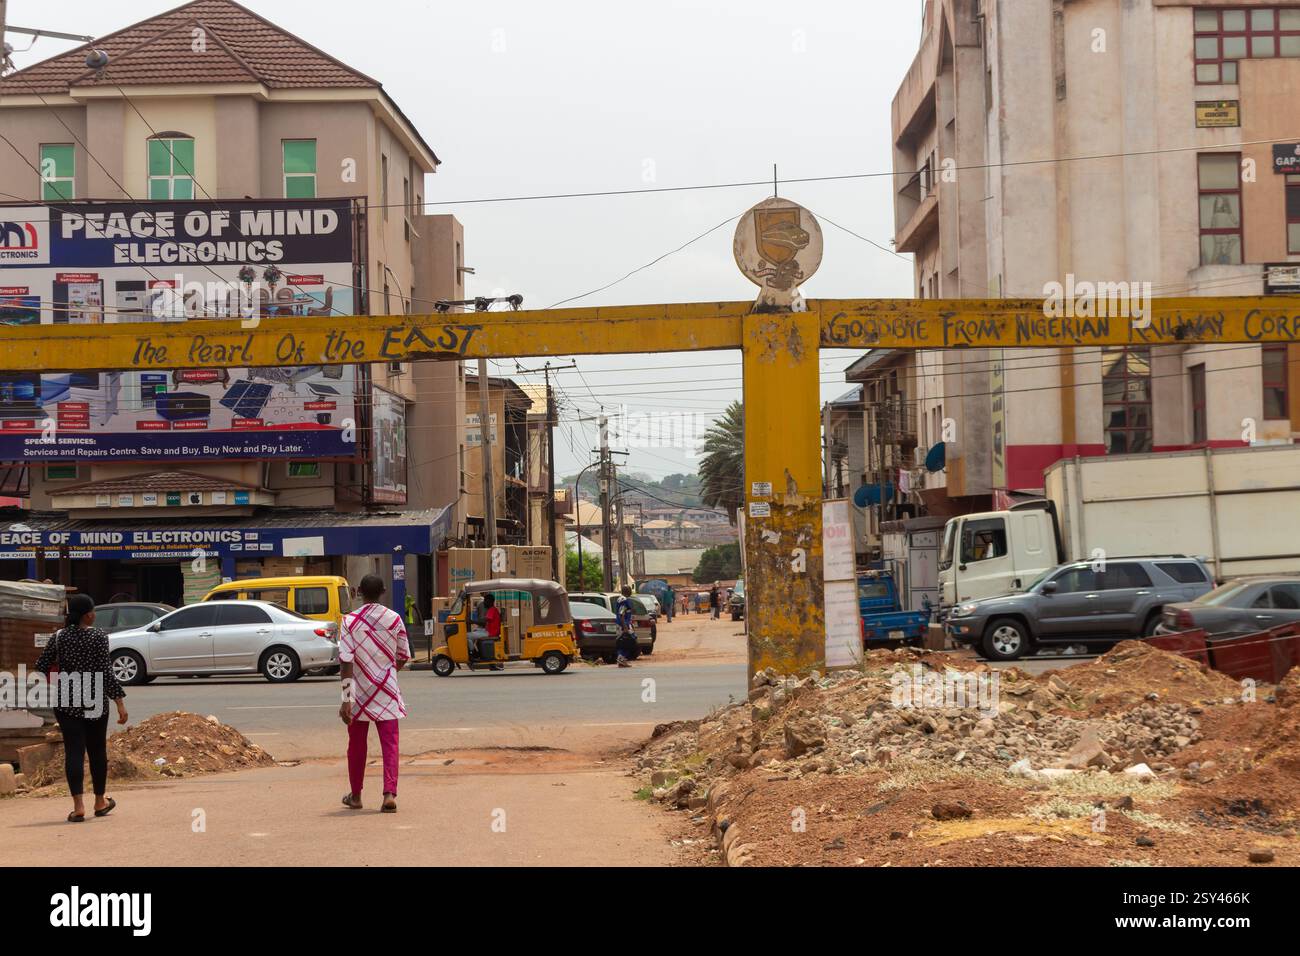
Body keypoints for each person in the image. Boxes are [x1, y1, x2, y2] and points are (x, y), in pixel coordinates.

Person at [34, 594, 128, 823]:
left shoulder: (59, 637)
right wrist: (119, 703)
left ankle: (78, 807)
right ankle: (99, 801)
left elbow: (41, 666)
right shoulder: (98, 636)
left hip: (66, 699)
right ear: (88, 614)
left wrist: (61, 678)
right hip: (94, 698)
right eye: (93, 610)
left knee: (74, 751)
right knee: (97, 751)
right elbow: (106, 672)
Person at [338, 574, 410, 813]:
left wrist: (346, 699)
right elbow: (403, 656)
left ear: (358, 592)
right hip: (386, 691)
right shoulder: (394, 619)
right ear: (384, 591)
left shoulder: (349, 621)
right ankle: (389, 793)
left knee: (356, 745)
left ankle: (356, 795)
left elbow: (345, 661)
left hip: (358, 692)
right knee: (390, 744)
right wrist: (387, 673)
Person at [614, 585, 637, 667]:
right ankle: (621, 658)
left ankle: (622, 659)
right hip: (623, 624)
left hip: (622, 624)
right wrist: (625, 627)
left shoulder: (620, 599)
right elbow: (621, 614)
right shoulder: (624, 600)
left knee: (623, 641)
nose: (631, 591)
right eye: (630, 590)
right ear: (626, 591)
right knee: (629, 641)